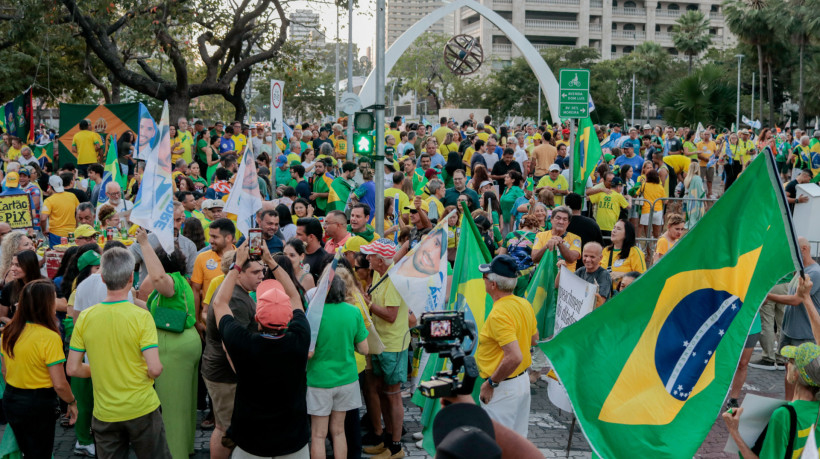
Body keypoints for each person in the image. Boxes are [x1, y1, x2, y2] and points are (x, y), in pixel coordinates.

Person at [67, 248, 171, 458]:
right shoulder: (142, 317)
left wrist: (101, 369)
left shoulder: (86, 317)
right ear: (131, 277)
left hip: (105, 411)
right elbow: (155, 368)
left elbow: (73, 368)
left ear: (103, 278)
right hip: (142, 407)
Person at [212, 243, 310, 458]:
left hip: (251, 441)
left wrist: (237, 266)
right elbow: (295, 297)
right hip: (293, 439)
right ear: (289, 317)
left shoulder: (243, 342)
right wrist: (271, 261)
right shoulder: (300, 337)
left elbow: (219, 303)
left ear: (257, 317)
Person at [135, 228, 201, 459]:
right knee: (185, 403)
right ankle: (186, 447)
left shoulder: (169, 280)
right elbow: (158, 313)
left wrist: (144, 244)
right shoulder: (180, 281)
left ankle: (175, 453)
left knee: (172, 408)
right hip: (186, 340)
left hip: (174, 347)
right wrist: (131, 300)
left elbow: (158, 278)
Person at [201, 241, 265, 459]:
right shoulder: (236, 299)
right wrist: (245, 376)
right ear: (238, 274)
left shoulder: (237, 292)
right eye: (255, 272)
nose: (261, 276)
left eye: (262, 271)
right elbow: (232, 348)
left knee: (227, 427)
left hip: (223, 372)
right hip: (226, 374)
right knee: (226, 430)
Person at [1, 279, 78, 458]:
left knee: (26, 451)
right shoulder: (49, 337)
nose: (55, 304)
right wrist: (72, 402)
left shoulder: (8, 331)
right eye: (53, 300)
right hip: (38, 404)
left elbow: (5, 371)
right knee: (40, 453)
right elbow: (59, 383)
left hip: (12, 398)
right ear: (44, 304)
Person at [307, 274, 369, 459]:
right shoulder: (353, 311)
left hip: (319, 380)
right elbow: (365, 349)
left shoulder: (313, 315)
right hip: (347, 378)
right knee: (339, 431)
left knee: (318, 435)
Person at [723, 341, 820, 459]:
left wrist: (734, 432)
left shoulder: (785, 415)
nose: (787, 364)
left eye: (790, 361)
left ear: (796, 374)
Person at [475, 255, 537, 437]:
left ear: (493, 284)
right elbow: (534, 338)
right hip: (520, 383)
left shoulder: (499, 314)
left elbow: (514, 356)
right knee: (515, 444)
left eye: (484, 277)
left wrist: (491, 383)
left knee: (496, 445)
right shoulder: (523, 303)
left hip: (503, 387)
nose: (483, 281)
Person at [360, 239, 410, 459]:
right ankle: (387, 440)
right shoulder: (381, 273)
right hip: (381, 343)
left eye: (370, 255)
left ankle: (396, 447)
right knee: (382, 392)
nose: (366, 258)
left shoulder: (393, 280)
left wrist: (367, 304)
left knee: (392, 395)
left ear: (380, 260)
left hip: (393, 344)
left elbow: (390, 315)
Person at [766, 237, 820, 400]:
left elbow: (797, 299)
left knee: (803, 374)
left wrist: (769, 296)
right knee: (789, 370)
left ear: (803, 249)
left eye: (792, 249)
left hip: (803, 333)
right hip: (790, 330)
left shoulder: (815, 273)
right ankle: (789, 404)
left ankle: (799, 407)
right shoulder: (800, 271)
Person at [191, 218, 236, 336]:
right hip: (209, 326)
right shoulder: (202, 258)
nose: (210, 240)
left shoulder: (242, 258)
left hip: (236, 325)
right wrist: (197, 322)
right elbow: (195, 291)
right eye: (210, 236)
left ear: (228, 238)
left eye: (215, 237)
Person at [600, 220, 646, 291]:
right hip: (605, 295)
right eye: (614, 228)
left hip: (624, 295)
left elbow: (643, 276)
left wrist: (622, 274)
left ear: (627, 234)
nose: (614, 231)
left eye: (618, 229)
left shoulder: (635, 252)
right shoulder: (606, 250)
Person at [532, 206, 582, 271]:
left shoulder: (576, 238)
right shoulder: (540, 235)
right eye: (558, 218)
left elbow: (572, 258)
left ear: (568, 223)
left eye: (565, 219)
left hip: (565, 278)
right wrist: (546, 246)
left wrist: (560, 244)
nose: (561, 222)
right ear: (551, 219)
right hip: (544, 277)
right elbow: (534, 258)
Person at [41, 175, 80, 247]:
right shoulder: (72, 196)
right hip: (72, 233)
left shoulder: (49, 200)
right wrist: (76, 226)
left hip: (55, 234)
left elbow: (43, 218)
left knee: (57, 255)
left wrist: (44, 230)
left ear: (50, 186)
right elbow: (78, 213)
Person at [296, 217, 328, 282]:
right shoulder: (299, 254)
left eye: (299, 234)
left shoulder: (324, 260)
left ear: (311, 237)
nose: (296, 237)